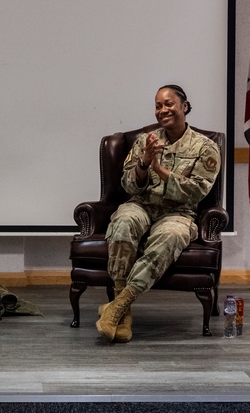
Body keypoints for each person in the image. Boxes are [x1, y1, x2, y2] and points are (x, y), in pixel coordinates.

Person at [96, 84, 221, 343]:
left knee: (170, 236)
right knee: (123, 220)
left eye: (169, 104)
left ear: (184, 106)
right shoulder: (146, 141)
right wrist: (143, 164)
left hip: (179, 212)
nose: (162, 110)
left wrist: (161, 171)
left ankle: (119, 305)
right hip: (142, 204)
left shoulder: (205, 147)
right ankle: (123, 308)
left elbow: (198, 192)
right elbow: (128, 185)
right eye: (158, 105)